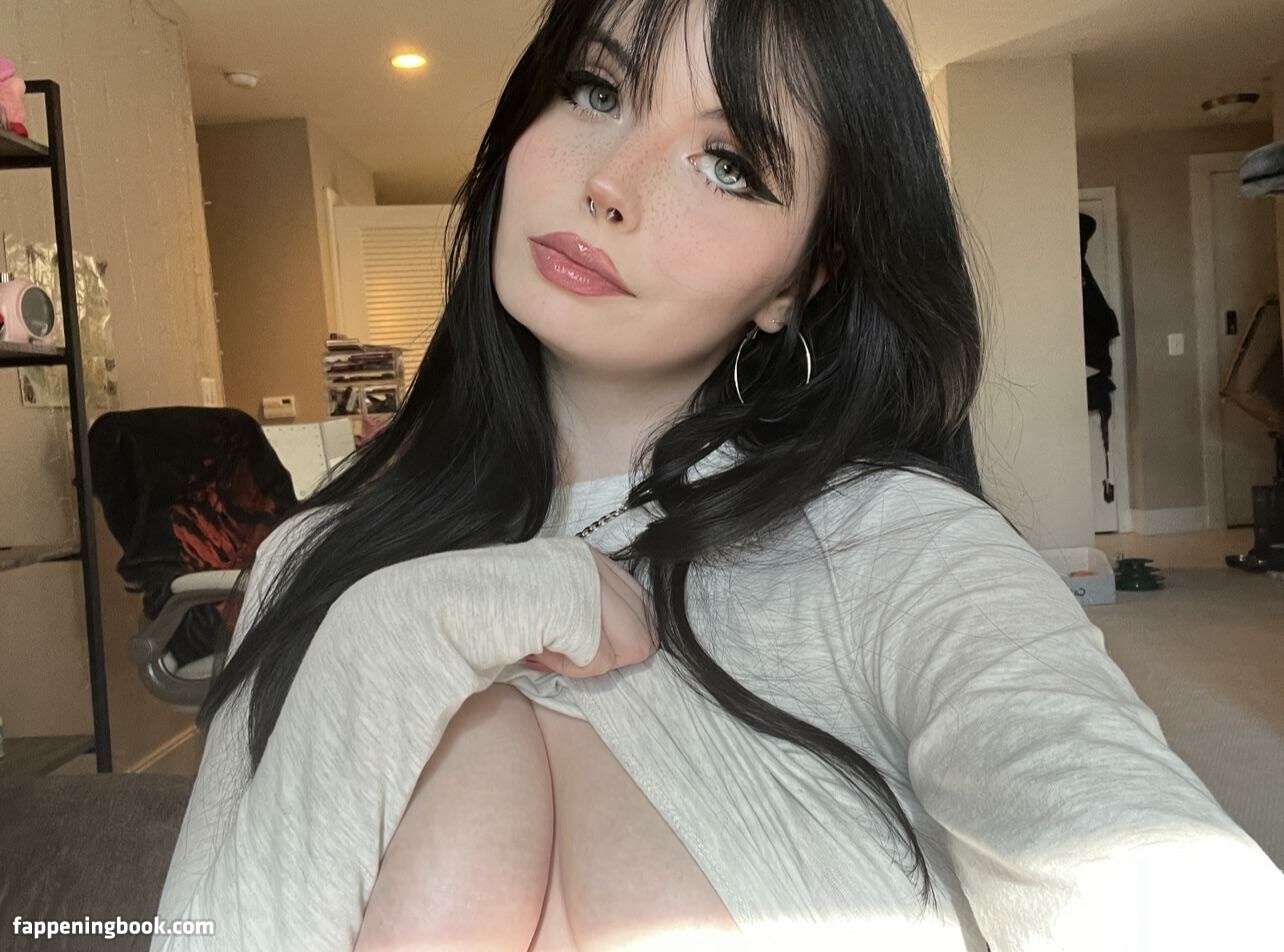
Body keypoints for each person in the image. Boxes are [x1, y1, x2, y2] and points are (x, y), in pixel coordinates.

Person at [153, 0, 1284, 948]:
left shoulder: (897, 545)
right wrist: (392, 636)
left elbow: (1130, 851)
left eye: (729, 164)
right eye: (596, 89)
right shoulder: (322, 560)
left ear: (800, 278)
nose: (611, 184)